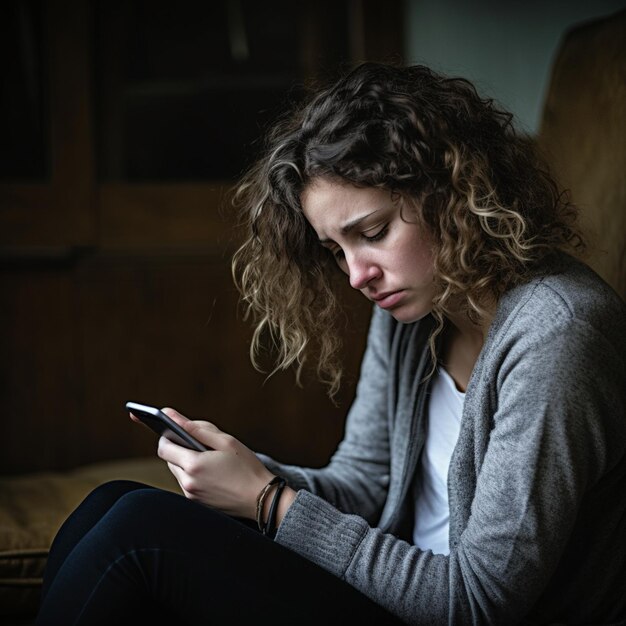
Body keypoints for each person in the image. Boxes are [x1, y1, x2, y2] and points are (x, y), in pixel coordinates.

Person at [36, 62, 625, 625]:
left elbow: (476, 603)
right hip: (395, 596)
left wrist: (268, 501)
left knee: (135, 534)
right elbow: (365, 487)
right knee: (110, 503)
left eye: (372, 233)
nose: (356, 275)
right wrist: (243, 471)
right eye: (335, 249)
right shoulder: (417, 309)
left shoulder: (560, 333)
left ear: (454, 191)